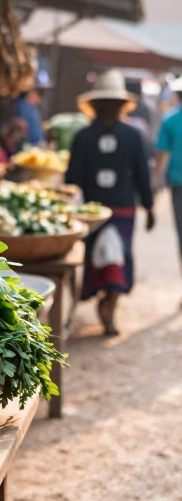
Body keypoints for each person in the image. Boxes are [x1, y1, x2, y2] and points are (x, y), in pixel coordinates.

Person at [65, 69, 154, 337]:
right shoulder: (131, 135)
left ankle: (108, 305)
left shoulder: (85, 136)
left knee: (109, 258)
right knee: (114, 258)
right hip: (106, 211)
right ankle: (108, 304)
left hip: (105, 211)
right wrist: (148, 207)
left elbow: (72, 179)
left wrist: (148, 206)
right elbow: (142, 174)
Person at [155, 76, 182, 300]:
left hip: (177, 184)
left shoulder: (170, 119)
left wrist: (156, 182)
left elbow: (162, 153)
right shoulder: (169, 119)